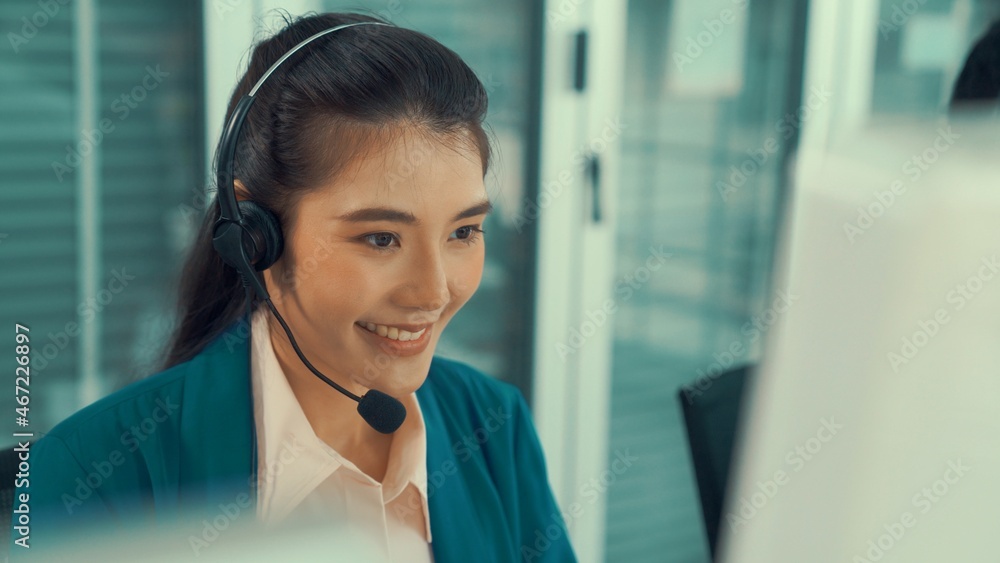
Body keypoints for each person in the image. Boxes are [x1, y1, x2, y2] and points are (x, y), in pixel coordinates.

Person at [10, 12, 576, 562]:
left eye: (464, 231)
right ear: (256, 238)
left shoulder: (493, 424)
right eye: (380, 238)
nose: (432, 292)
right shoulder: (92, 478)